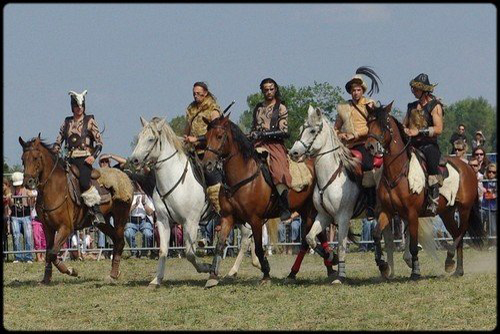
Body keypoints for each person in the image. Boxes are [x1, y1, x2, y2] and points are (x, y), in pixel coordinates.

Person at [52, 90, 106, 227]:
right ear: (72, 107)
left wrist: (93, 157)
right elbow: (58, 141)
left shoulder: (90, 121)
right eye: (76, 106)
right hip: (69, 158)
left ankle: (95, 211)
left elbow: (100, 143)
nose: (79, 109)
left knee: (83, 181)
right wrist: (55, 153)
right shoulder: (67, 122)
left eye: (81, 106)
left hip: (85, 159)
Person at [334, 67, 381, 221]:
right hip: (346, 146)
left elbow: (374, 126)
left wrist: (355, 134)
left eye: (358, 90)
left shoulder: (370, 104)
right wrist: (341, 135)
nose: (355, 93)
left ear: (363, 91)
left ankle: (370, 204)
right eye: (353, 90)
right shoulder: (343, 108)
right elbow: (335, 128)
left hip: (364, 143)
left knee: (367, 167)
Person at [250, 78, 292, 220]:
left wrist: (263, 133)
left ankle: (284, 205)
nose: (268, 92)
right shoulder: (258, 108)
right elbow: (254, 127)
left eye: (271, 89)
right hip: (257, 144)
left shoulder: (281, 107)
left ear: (275, 89)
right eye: (266, 89)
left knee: (279, 170)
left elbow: (285, 131)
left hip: (274, 145)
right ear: (262, 91)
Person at [182, 82, 223, 226]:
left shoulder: (213, 110)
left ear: (205, 93)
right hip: (192, 152)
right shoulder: (191, 109)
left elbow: (217, 133)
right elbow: (186, 131)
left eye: (198, 93)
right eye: (194, 93)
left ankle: (220, 215)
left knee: (213, 182)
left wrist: (198, 139)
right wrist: (184, 140)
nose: (195, 95)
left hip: (208, 152)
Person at [403, 73, 444, 215]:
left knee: (432, 164)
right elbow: (405, 124)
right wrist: (404, 130)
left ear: (424, 90)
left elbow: (439, 129)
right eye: (413, 89)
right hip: (412, 145)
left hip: (428, 145)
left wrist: (419, 132)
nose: (413, 91)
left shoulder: (435, 106)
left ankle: (434, 199)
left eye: (416, 89)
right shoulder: (411, 106)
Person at [7, 172, 35, 263]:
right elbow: (11, 205)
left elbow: (31, 204)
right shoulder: (11, 190)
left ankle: (28, 257)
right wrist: (9, 198)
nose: (17, 186)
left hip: (26, 216)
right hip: (15, 216)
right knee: (16, 235)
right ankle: (17, 257)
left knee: (28, 236)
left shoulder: (27, 190)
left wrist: (31, 198)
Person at [124, 182, 155, 258]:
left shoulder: (146, 196)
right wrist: (135, 205)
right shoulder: (129, 196)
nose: (138, 186)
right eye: (135, 184)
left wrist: (144, 203)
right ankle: (134, 252)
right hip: (132, 221)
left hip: (143, 221)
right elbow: (125, 212)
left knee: (147, 234)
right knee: (128, 233)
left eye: (139, 184)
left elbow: (150, 212)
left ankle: (144, 253)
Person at [482, 163, 497, 244]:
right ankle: (491, 243)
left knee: (493, 228)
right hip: (487, 207)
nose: (491, 174)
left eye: (494, 172)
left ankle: (492, 243)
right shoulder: (484, 181)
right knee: (491, 228)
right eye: (490, 172)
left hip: (494, 207)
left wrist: (494, 193)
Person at [30, 191, 46, 262]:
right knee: (37, 238)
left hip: (43, 219)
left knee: (43, 238)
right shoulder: (33, 192)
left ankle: (42, 255)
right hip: (35, 218)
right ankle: (38, 256)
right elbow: (31, 202)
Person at [3, 177, 12, 261]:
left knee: (4, 236)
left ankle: (5, 255)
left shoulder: (8, 193)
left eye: (3, 185)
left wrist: (8, 196)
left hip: (5, 217)